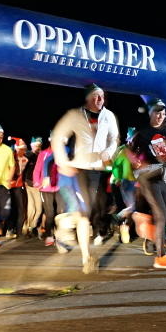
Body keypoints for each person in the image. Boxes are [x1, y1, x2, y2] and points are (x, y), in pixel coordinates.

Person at [51, 83, 119, 272]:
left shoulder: (109, 116)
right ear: (88, 98)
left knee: (92, 211)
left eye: (102, 96)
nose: (100, 100)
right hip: (78, 168)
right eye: (96, 96)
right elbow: (57, 136)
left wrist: (108, 152)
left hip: (97, 169)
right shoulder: (75, 115)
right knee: (83, 215)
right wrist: (63, 162)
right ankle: (86, 259)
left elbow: (114, 139)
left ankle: (62, 224)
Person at [129, 100, 166, 269]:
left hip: (165, 175)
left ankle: (144, 222)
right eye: (157, 112)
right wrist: (138, 164)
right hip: (149, 177)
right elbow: (128, 152)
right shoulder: (142, 132)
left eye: (163, 113)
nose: (160, 116)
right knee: (161, 216)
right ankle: (160, 256)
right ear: (150, 113)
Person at [33, 133, 61, 246]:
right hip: (45, 189)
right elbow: (37, 169)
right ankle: (49, 235)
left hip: (59, 187)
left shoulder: (61, 154)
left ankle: (59, 235)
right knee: (50, 213)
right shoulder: (43, 154)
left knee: (60, 212)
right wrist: (37, 182)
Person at [110, 127, 137, 244]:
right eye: (133, 139)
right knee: (132, 207)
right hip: (126, 182)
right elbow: (115, 166)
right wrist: (118, 177)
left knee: (134, 209)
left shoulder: (137, 150)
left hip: (137, 183)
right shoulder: (123, 150)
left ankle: (126, 229)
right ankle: (118, 218)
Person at [8, 137, 29, 237]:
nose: (23, 150)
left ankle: (19, 231)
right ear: (16, 148)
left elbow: (23, 173)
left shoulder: (26, 159)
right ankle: (9, 229)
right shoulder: (11, 156)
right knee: (10, 208)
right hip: (9, 185)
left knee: (21, 208)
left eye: (24, 148)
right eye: (21, 148)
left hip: (19, 185)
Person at [23, 137, 43, 237]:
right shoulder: (28, 155)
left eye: (39, 145)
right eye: (35, 145)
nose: (37, 147)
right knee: (33, 208)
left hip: (38, 185)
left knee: (37, 209)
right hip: (29, 184)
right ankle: (29, 227)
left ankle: (30, 226)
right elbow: (23, 169)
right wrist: (23, 181)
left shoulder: (42, 156)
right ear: (31, 145)